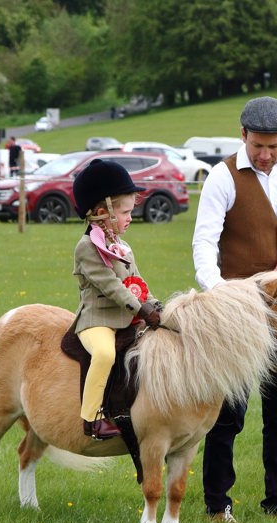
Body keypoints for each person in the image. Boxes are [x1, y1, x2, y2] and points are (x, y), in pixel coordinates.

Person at [192, 96, 277, 523]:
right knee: (228, 416)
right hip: (237, 314)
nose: (265, 155)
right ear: (243, 135)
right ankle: (217, 506)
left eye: (273, 146)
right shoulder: (221, 177)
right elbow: (204, 243)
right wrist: (220, 295)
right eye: (257, 146)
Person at [71, 159, 162, 441]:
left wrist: (156, 305)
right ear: (102, 213)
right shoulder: (86, 248)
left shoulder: (122, 247)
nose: (129, 218)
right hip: (97, 321)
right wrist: (141, 308)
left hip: (129, 317)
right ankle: (92, 419)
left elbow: (137, 283)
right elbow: (112, 287)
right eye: (124, 212)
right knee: (105, 353)